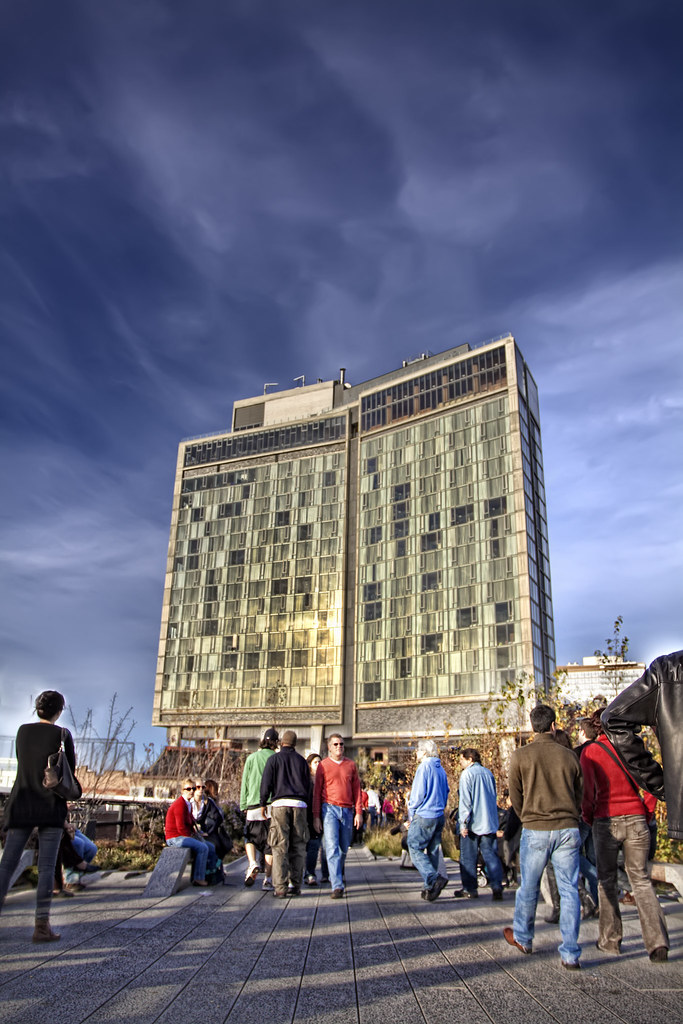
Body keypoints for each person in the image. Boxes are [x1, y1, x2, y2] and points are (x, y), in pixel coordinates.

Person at [581, 709, 669, 963]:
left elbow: (588, 793)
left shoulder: (591, 752)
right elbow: (653, 783)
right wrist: (646, 811)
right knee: (640, 880)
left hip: (605, 820)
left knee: (606, 880)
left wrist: (589, 817)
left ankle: (610, 941)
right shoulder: (633, 748)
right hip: (636, 817)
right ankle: (658, 943)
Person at [504, 705, 583, 970]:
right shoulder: (570, 756)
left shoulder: (520, 756)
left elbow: (515, 795)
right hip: (567, 827)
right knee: (569, 889)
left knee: (528, 887)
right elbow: (579, 793)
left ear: (532, 726)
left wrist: (526, 816)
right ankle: (570, 953)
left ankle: (523, 938)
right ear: (553, 725)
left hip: (535, 827)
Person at [0, 690, 76, 942]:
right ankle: (41, 927)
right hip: (50, 806)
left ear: (37, 708)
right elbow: (68, 773)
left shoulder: (22, 732)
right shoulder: (62, 735)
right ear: (59, 711)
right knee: (46, 868)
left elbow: (24, 764)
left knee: (7, 864)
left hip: (22, 802)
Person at [601, 649, 683, 841]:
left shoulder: (668, 670)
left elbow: (613, 719)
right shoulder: (667, 671)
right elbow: (613, 719)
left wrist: (661, 785)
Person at [259, 730, 310, 898]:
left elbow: (266, 783)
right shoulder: (302, 761)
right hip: (299, 805)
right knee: (298, 845)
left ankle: (280, 887)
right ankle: (295, 884)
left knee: (279, 845)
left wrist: (263, 803)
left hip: (279, 804)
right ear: (295, 743)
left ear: (281, 742)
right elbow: (308, 785)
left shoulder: (274, 760)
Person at [313, 734, 362, 898]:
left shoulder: (351, 765)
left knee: (343, 848)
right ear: (329, 747)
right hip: (329, 809)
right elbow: (317, 792)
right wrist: (316, 816)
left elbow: (357, 790)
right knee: (332, 847)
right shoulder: (323, 766)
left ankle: (337, 875)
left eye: (341, 744)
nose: (339, 747)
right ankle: (337, 885)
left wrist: (359, 812)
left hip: (347, 810)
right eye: (335, 744)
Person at [454, 748, 504, 901]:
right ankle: (497, 885)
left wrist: (463, 823)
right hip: (489, 821)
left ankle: (470, 888)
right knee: (491, 855)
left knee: (468, 857)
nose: (460, 763)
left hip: (473, 823)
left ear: (470, 759)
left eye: (462, 760)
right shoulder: (488, 773)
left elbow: (465, 801)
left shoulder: (467, 774)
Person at [406, 738, 450, 901]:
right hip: (439, 814)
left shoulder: (424, 767)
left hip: (425, 814)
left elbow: (418, 794)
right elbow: (446, 791)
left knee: (414, 847)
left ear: (424, 752)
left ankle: (433, 877)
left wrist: (412, 812)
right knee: (433, 850)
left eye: (417, 750)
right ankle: (429, 888)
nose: (416, 753)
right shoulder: (441, 769)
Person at [239, 727, 278, 889]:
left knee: (249, 838)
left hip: (253, 805)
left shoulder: (252, 758)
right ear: (276, 742)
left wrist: (243, 804)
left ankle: (252, 862)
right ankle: (267, 879)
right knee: (270, 845)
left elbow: (245, 783)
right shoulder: (276, 759)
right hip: (271, 805)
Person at [165, 778, 217, 886]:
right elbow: (181, 828)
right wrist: (193, 837)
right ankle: (198, 878)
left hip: (183, 836)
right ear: (182, 791)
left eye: (193, 788)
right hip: (175, 838)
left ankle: (210, 874)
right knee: (202, 848)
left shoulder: (187, 804)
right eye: (188, 789)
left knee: (211, 847)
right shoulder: (180, 804)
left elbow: (190, 824)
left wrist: (197, 834)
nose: (191, 791)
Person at [197, 779, 233, 881]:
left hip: (214, 832)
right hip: (210, 832)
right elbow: (214, 818)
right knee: (219, 846)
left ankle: (217, 869)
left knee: (224, 845)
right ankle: (215, 870)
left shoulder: (213, 802)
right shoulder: (209, 802)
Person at [304, 754, 329, 886]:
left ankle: (326, 874)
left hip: (325, 814)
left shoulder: (325, 780)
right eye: (315, 762)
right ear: (309, 765)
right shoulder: (305, 780)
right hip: (309, 816)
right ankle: (310, 874)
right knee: (313, 845)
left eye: (320, 762)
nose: (318, 764)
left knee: (326, 845)